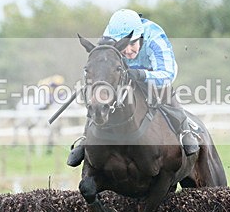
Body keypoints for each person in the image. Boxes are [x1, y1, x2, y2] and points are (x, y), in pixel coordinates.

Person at [67, 9, 199, 167]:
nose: (128, 50)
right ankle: (86, 137)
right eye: (124, 46)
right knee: (100, 97)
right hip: (123, 73)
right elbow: (100, 61)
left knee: (162, 91)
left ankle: (184, 130)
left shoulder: (155, 38)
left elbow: (167, 74)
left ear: (141, 36)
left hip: (155, 72)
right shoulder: (109, 36)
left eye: (133, 43)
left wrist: (142, 75)